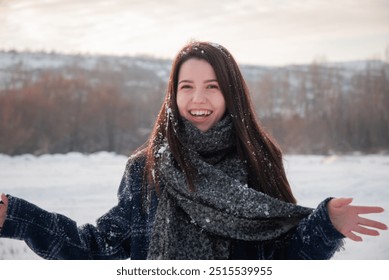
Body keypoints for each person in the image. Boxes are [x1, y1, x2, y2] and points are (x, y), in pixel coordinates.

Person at [0, 41, 387, 260]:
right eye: (187, 86)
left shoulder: (260, 160)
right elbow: (100, 251)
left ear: (231, 92)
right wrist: (18, 217)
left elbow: (285, 257)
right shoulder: (145, 169)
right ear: (173, 93)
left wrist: (323, 227)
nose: (197, 98)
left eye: (212, 86)